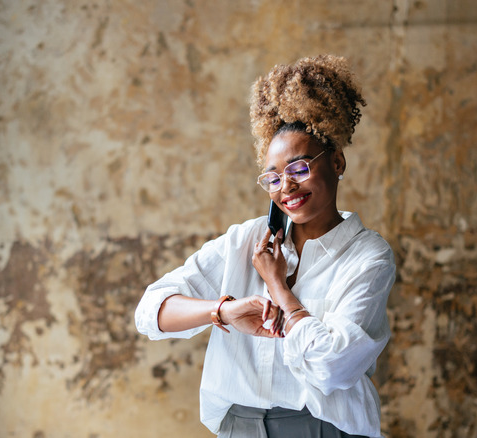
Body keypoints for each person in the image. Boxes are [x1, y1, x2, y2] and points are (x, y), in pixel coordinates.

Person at [134, 55, 396, 438]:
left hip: (322, 430)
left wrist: (277, 286)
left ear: (337, 162)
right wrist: (224, 311)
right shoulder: (246, 240)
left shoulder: (367, 257)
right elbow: (150, 311)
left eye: (299, 169)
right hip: (240, 428)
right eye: (272, 178)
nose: (286, 188)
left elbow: (333, 366)